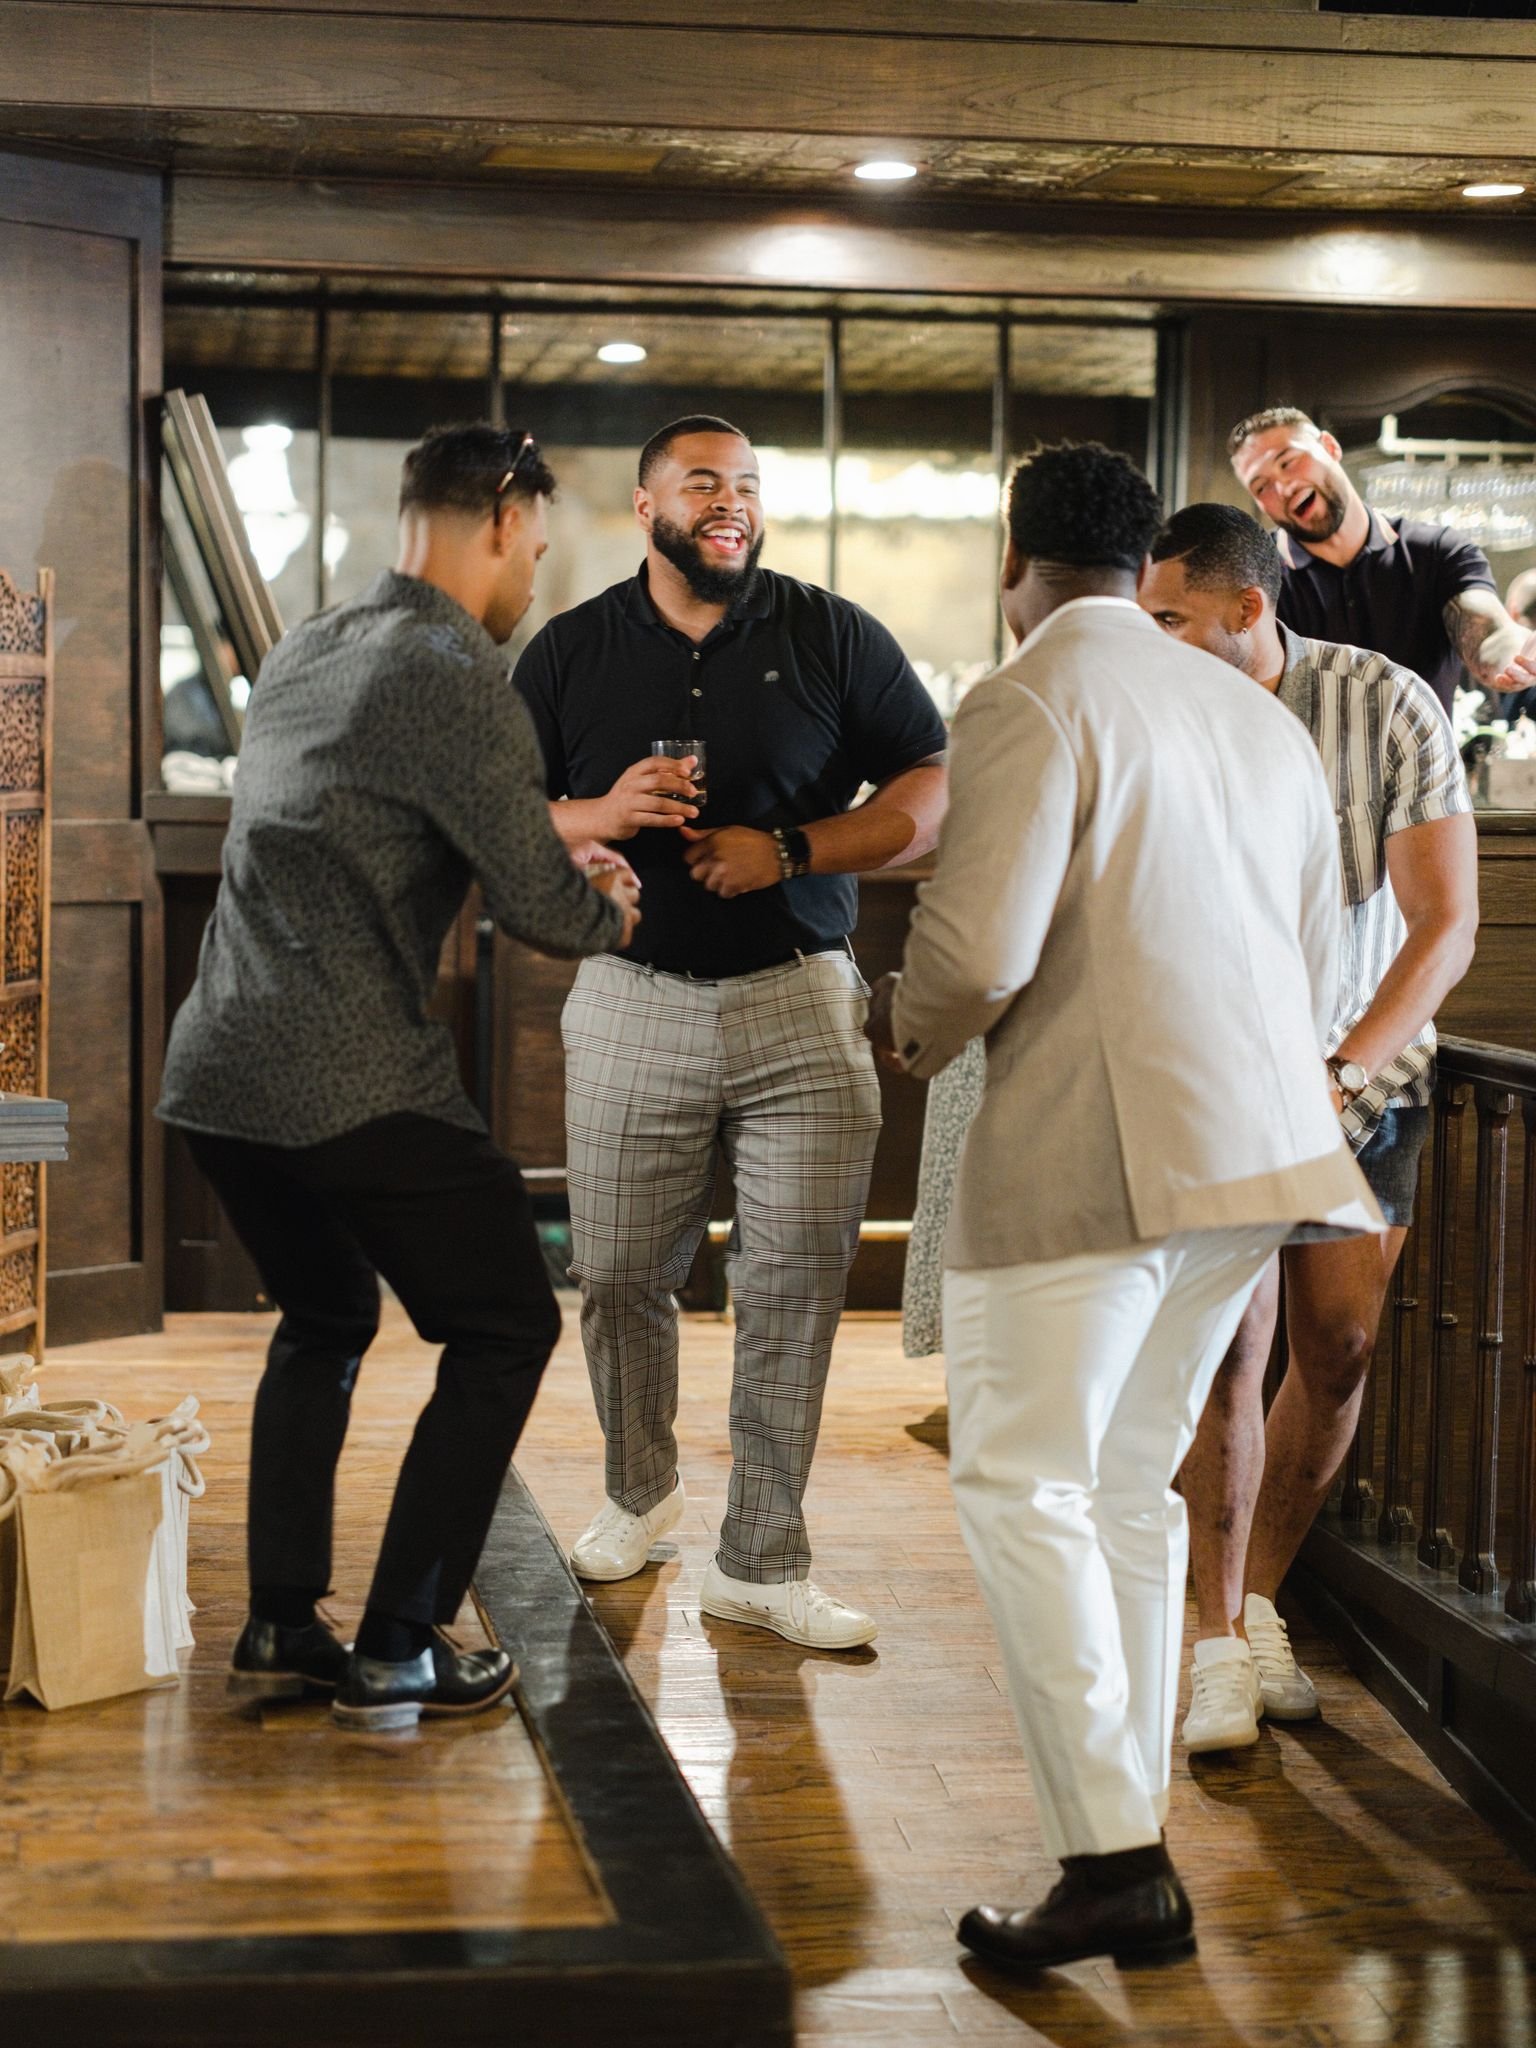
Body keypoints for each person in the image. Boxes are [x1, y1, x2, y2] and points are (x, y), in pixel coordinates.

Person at [865, 441, 1381, 1974]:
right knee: (1126, 1486)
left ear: (1011, 561)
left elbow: (978, 956)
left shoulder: (1028, 694)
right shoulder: (1252, 712)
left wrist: (901, 1020)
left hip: (1100, 1146)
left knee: (1020, 1486)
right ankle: (1128, 1822)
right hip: (1259, 1153)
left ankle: (1111, 1859)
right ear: (1136, 553)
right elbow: (1312, 950)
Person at [159, 424, 640, 1733]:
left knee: (325, 1317)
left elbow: (390, 823)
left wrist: (550, 859)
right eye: (534, 547)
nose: (533, 574)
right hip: (346, 1071)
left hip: (216, 1068)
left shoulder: (311, 644)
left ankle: (279, 1619)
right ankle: (397, 1642)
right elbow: (541, 899)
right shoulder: (456, 668)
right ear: (495, 516)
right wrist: (613, 908)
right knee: (506, 1326)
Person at [513, 413, 947, 1651]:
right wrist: (599, 809)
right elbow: (498, 808)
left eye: (748, 485)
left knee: (796, 1286)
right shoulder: (571, 648)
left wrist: (794, 848)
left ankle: (762, 1556)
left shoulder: (833, 631)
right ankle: (639, 1496)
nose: (732, 503)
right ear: (645, 504)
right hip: (629, 994)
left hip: (802, 997)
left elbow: (930, 781)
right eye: (704, 482)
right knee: (618, 1278)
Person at [1138, 502, 1477, 1752]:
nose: (1151, 636)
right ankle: (1214, 1637)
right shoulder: (1154, 713)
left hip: (1360, 1082)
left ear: (1246, 608)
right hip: (1210, 1081)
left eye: (1170, 616)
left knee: (1333, 1349)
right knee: (1229, 1350)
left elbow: (1445, 924)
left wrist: (1342, 1069)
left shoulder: (1383, 701)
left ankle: (1263, 1597)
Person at [1228, 405, 1536, 717]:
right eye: (1262, 486)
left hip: (1424, 765)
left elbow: (1487, 630)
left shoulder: (1438, 551)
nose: (1283, 487)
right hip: (1307, 766)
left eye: (1289, 462)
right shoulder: (1253, 577)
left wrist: (1517, 653)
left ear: (1330, 447)